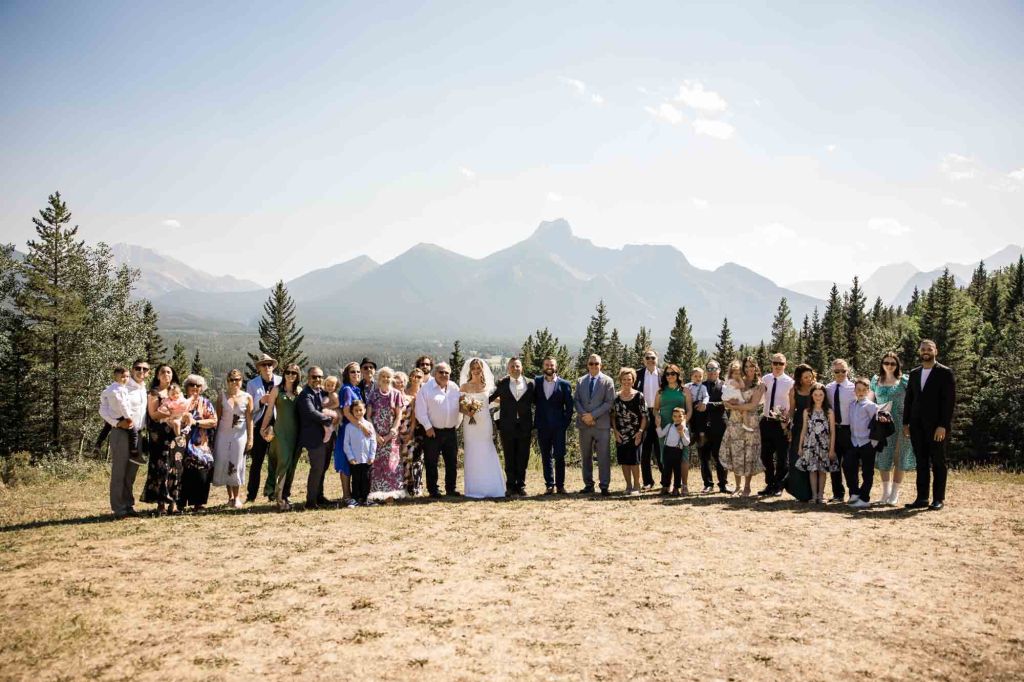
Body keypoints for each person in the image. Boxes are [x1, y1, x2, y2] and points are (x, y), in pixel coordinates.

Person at [903, 339, 956, 510]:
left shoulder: (945, 373)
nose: (926, 351)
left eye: (929, 349)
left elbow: (949, 402)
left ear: (935, 351)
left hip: (936, 427)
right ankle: (922, 498)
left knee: (939, 461)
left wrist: (943, 425)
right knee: (921, 462)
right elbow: (909, 400)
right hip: (916, 425)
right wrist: (906, 423)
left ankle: (938, 499)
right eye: (923, 349)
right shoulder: (914, 373)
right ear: (920, 352)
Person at [99, 360, 149, 518]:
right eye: (138, 368)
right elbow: (103, 408)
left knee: (131, 473)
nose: (141, 371)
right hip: (121, 434)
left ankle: (128, 505)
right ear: (132, 370)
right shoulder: (122, 386)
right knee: (119, 471)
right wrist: (116, 423)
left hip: (137, 434)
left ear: (148, 372)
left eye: (145, 369)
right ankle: (118, 508)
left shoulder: (143, 389)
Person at [871, 352, 915, 506]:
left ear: (897, 366)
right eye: (886, 363)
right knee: (883, 457)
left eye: (892, 363)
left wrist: (909, 422)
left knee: (899, 457)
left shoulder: (903, 381)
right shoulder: (876, 381)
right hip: (882, 423)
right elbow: (870, 402)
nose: (889, 366)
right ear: (882, 364)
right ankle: (885, 492)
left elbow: (912, 401)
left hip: (901, 423)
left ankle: (895, 493)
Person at [459, 358, 506, 499]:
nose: (476, 370)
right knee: (472, 451)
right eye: (473, 368)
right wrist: (468, 412)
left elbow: (499, 400)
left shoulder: (488, 388)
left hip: (485, 423)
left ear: (482, 369)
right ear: (470, 370)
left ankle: (492, 486)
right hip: (470, 424)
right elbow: (460, 406)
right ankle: (474, 488)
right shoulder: (465, 387)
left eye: (478, 368)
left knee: (487, 450)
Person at [489, 357, 536, 496]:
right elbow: (490, 398)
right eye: (512, 366)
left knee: (523, 456)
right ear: (508, 368)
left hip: (525, 426)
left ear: (522, 368)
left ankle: (520, 485)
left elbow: (538, 401)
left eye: (517, 366)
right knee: (509, 456)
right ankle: (510, 486)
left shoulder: (531, 384)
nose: (515, 368)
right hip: (507, 426)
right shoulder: (502, 383)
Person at [142, 364, 184, 515]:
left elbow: (184, 410)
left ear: (172, 375)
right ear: (157, 375)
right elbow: (153, 415)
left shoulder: (176, 391)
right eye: (162, 372)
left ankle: (173, 503)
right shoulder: (154, 393)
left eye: (169, 372)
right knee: (161, 467)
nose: (166, 374)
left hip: (175, 434)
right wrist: (170, 412)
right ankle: (161, 504)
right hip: (159, 435)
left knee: (175, 467)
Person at [415, 362, 463, 497]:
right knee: (431, 462)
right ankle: (433, 490)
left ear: (450, 374)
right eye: (441, 372)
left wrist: (456, 424)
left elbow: (460, 407)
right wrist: (427, 427)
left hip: (450, 431)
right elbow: (420, 411)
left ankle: (451, 488)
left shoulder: (454, 387)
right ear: (435, 373)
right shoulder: (426, 388)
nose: (443, 375)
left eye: (446, 372)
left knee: (452, 462)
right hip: (432, 431)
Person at [719, 358, 765, 496]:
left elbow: (753, 405)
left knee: (749, 452)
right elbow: (726, 400)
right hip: (734, 420)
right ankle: (737, 486)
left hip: (750, 421)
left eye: (752, 366)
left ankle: (747, 487)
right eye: (746, 366)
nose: (749, 369)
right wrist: (729, 404)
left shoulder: (760, 385)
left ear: (756, 367)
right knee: (736, 451)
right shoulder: (738, 380)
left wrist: (735, 406)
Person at [261, 363, 302, 511]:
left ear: (298, 376)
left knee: (291, 464)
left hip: (296, 434)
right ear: (284, 374)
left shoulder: (299, 391)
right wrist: (263, 428)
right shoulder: (276, 390)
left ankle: (285, 495)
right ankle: (278, 498)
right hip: (281, 432)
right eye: (288, 372)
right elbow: (270, 410)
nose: (291, 375)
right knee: (283, 462)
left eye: (294, 373)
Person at [575, 354, 616, 496]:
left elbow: (609, 402)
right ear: (587, 365)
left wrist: (592, 416)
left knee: (603, 456)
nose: (593, 366)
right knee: (585, 456)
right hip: (584, 424)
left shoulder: (608, 381)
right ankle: (588, 485)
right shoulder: (580, 381)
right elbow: (577, 401)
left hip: (601, 425)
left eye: (596, 363)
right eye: (591, 363)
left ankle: (604, 486)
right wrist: (585, 416)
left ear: (601, 365)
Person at [176, 375, 218, 512]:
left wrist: (196, 422)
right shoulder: (179, 401)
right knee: (180, 469)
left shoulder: (206, 403)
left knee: (203, 464)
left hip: (201, 442)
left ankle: (198, 503)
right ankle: (180, 503)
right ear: (186, 387)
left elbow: (213, 421)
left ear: (201, 388)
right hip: (181, 441)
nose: (195, 388)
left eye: (198, 386)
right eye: (192, 385)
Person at [297, 366, 337, 509]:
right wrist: (329, 420)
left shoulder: (322, 392)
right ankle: (311, 502)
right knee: (317, 468)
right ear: (308, 378)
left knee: (324, 468)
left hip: (326, 437)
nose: (317, 379)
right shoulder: (305, 395)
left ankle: (319, 497)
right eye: (314, 377)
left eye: (320, 376)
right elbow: (311, 412)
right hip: (314, 438)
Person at [534, 357, 574, 495]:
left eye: (552, 364)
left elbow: (569, 407)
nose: (549, 366)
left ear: (556, 366)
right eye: (547, 364)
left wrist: (564, 424)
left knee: (559, 456)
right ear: (543, 366)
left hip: (559, 427)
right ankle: (549, 485)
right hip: (542, 426)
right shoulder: (537, 382)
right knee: (546, 456)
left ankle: (560, 485)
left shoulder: (564, 384)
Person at [213, 369, 253, 508]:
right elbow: (217, 419)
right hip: (223, 435)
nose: (234, 382)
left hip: (239, 436)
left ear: (241, 381)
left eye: (237, 379)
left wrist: (250, 438)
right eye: (231, 379)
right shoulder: (221, 397)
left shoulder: (247, 397)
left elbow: (250, 419)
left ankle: (237, 497)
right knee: (225, 463)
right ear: (227, 381)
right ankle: (229, 497)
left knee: (236, 464)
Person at [366, 366, 407, 502]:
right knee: (377, 466)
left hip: (391, 436)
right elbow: (369, 416)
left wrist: (391, 433)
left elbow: (398, 415)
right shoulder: (373, 394)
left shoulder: (396, 394)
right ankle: (377, 495)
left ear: (392, 378)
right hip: (376, 436)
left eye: (388, 376)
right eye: (383, 376)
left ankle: (391, 495)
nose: (385, 379)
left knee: (391, 465)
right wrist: (375, 434)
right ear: (378, 378)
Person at [245, 354, 282, 503]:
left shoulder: (280, 381)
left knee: (275, 461)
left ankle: (273, 493)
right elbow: (249, 410)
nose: (267, 367)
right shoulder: (252, 384)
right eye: (264, 365)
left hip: (277, 424)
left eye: (269, 364)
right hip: (260, 425)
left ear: (273, 366)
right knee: (257, 462)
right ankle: (251, 495)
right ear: (259, 368)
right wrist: (260, 401)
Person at [758, 353, 795, 497]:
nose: (778, 366)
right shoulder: (766, 379)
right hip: (766, 421)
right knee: (765, 455)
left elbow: (792, 406)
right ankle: (770, 483)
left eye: (781, 363)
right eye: (775, 363)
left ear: (785, 365)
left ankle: (779, 485)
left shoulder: (790, 382)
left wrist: (788, 422)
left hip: (781, 424)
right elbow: (761, 399)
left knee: (781, 457)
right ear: (771, 364)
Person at [795, 383, 837, 504]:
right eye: (815, 394)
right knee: (812, 470)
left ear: (824, 396)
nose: (818, 397)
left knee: (822, 470)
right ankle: (813, 496)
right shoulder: (807, 411)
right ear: (811, 396)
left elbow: (833, 432)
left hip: (824, 445)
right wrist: (800, 446)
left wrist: (832, 449)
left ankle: (821, 495)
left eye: (820, 395)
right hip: (810, 444)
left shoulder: (829, 412)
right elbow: (804, 429)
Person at [654, 364, 692, 494]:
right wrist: (657, 417)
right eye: (668, 374)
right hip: (665, 428)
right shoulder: (660, 391)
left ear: (678, 375)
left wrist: (683, 424)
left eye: (673, 374)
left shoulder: (684, 390)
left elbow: (690, 409)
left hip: (681, 428)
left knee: (684, 457)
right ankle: (667, 485)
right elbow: (655, 409)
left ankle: (684, 485)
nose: (670, 376)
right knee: (665, 457)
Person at [847, 377, 883, 509]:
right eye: (858, 390)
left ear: (868, 391)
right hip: (854, 441)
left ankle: (864, 498)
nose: (860, 392)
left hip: (867, 443)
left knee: (867, 472)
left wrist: (873, 443)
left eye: (863, 390)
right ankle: (855, 492)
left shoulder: (872, 406)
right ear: (854, 391)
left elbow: (877, 426)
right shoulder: (852, 405)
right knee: (848, 466)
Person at [824, 359, 856, 503]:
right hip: (833, 430)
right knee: (834, 462)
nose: (840, 374)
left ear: (848, 370)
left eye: (843, 371)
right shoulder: (828, 388)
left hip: (849, 430)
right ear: (833, 372)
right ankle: (838, 494)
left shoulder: (854, 388)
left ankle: (854, 493)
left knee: (849, 463)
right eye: (837, 371)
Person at [611, 367, 647, 495]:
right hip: (621, 434)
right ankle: (628, 485)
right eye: (624, 379)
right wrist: (615, 431)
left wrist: (640, 432)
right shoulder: (615, 397)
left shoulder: (639, 396)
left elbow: (644, 416)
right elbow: (613, 416)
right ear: (620, 380)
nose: (627, 382)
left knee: (634, 461)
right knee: (624, 461)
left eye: (629, 379)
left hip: (636, 433)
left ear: (633, 381)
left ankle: (637, 486)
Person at [99, 366, 144, 465]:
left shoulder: (109, 389)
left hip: (112, 414)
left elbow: (103, 400)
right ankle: (134, 454)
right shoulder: (121, 390)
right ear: (116, 377)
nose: (126, 379)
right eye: (123, 377)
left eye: (127, 377)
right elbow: (123, 405)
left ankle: (98, 444)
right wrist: (128, 418)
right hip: (121, 416)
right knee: (134, 433)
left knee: (106, 428)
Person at [784, 364, 816, 502]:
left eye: (810, 376)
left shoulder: (817, 388)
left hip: (814, 426)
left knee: (811, 459)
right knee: (795, 458)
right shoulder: (794, 390)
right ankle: (799, 492)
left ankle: (811, 493)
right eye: (805, 377)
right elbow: (792, 410)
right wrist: (788, 425)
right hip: (798, 426)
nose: (809, 379)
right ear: (800, 379)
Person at [332, 362, 363, 505]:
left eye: (358, 372)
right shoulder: (347, 390)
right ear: (346, 374)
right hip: (348, 431)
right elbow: (346, 412)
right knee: (345, 462)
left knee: (354, 462)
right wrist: (362, 427)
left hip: (355, 431)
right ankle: (346, 495)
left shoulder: (355, 389)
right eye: (352, 372)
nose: (356, 374)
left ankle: (353, 495)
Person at [699, 360, 730, 493]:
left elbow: (727, 403)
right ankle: (708, 484)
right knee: (704, 457)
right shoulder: (700, 386)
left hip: (720, 426)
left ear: (719, 370)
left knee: (721, 456)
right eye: (709, 369)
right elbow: (697, 403)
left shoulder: (725, 386)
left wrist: (709, 404)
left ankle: (723, 484)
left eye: (714, 369)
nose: (711, 372)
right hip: (703, 426)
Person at [633, 350, 662, 490]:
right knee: (644, 450)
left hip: (659, 414)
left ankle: (665, 480)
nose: (650, 360)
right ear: (644, 360)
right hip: (643, 415)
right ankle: (648, 481)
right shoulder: (638, 374)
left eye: (653, 357)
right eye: (647, 358)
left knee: (660, 449)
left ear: (657, 359)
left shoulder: (664, 375)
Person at [397, 368, 427, 496]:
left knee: (417, 460)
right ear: (410, 378)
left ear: (423, 378)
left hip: (420, 430)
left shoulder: (425, 393)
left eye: (419, 377)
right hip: (402, 430)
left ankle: (416, 486)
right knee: (403, 459)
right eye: (413, 376)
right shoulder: (405, 394)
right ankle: (402, 486)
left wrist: (411, 432)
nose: (416, 378)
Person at [344, 400, 377, 507]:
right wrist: (350, 457)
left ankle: (366, 498)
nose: (358, 412)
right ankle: (355, 499)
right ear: (352, 412)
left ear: (365, 410)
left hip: (367, 458)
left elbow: (373, 441)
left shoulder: (369, 425)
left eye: (360, 410)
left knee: (366, 479)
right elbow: (346, 444)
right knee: (356, 479)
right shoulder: (349, 427)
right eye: (356, 410)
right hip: (355, 459)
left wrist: (372, 456)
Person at [658, 407, 690, 496]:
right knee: (666, 470)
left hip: (677, 451)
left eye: (680, 416)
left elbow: (686, 443)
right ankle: (665, 487)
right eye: (675, 416)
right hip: (667, 450)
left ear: (684, 417)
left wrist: (682, 434)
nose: (677, 418)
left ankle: (676, 488)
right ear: (672, 417)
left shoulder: (685, 429)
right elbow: (661, 434)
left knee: (677, 470)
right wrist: (658, 426)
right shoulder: (669, 426)